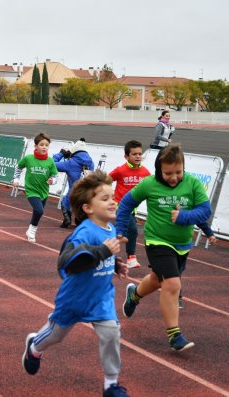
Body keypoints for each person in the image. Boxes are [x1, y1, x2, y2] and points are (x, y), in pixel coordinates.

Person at [21, 171, 130, 397]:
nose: (112, 201)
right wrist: (102, 252)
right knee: (56, 335)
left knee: (112, 334)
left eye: (112, 197)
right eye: (104, 198)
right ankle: (34, 348)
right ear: (88, 208)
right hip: (74, 299)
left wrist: (116, 263)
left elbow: (102, 255)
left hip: (101, 298)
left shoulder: (110, 229)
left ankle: (111, 384)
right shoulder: (83, 233)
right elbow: (68, 260)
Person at [116, 143, 211, 351]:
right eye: (168, 173)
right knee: (172, 284)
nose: (174, 177)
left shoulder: (193, 183)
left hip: (182, 245)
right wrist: (120, 229)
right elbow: (125, 204)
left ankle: (134, 295)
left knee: (159, 280)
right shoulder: (148, 184)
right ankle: (174, 335)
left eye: (178, 172)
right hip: (157, 241)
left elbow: (205, 210)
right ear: (159, 169)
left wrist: (185, 216)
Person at [108, 140, 151, 268]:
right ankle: (131, 257)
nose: (138, 156)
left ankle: (107, 255)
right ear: (126, 156)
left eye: (140, 154)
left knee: (118, 232)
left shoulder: (145, 173)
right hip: (119, 206)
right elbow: (107, 179)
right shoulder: (121, 170)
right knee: (132, 229)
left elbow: (151, 186)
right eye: (134, 154)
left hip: (133, 209)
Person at [11, 133, 58, 243]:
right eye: (42, 144)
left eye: (46, 145)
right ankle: (32, 230)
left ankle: (30, 230)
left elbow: (55, 176)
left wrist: (52, 181)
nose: (44, 147)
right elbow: (18, 167)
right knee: (39, 210)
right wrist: (16, 179)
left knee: (38, 212)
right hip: (31, 190)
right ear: (35, 146)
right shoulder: (28, 158)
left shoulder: (50, 161)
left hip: (44, 191)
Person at [53, 138, 95, 228]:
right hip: (87, 196)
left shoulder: (70, 163)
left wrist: (61, 153)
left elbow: (51, 164)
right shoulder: (91, 163)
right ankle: (81, 219)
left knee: (65, 200)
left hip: (73, 194)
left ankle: (67, 219)